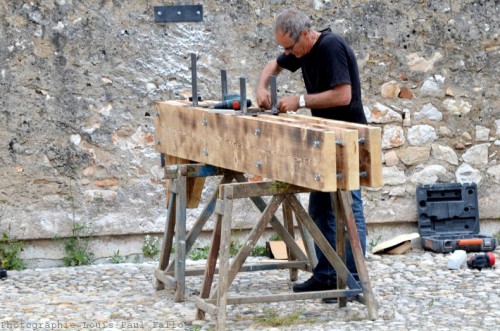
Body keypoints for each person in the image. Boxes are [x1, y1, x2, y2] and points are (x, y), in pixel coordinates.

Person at [256, 8, 367, 303]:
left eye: (290, 47)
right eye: (284, 47)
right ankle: (326, 276)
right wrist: (262, 86)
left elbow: (343, 95)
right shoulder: (300, 49)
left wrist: (300, 101)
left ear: (305, 35)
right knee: (320, 209)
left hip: (348, 139)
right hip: (325, 138)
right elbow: (274, 65)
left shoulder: (331, 47)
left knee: (348, 209)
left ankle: (353, 281)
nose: (287, 53)